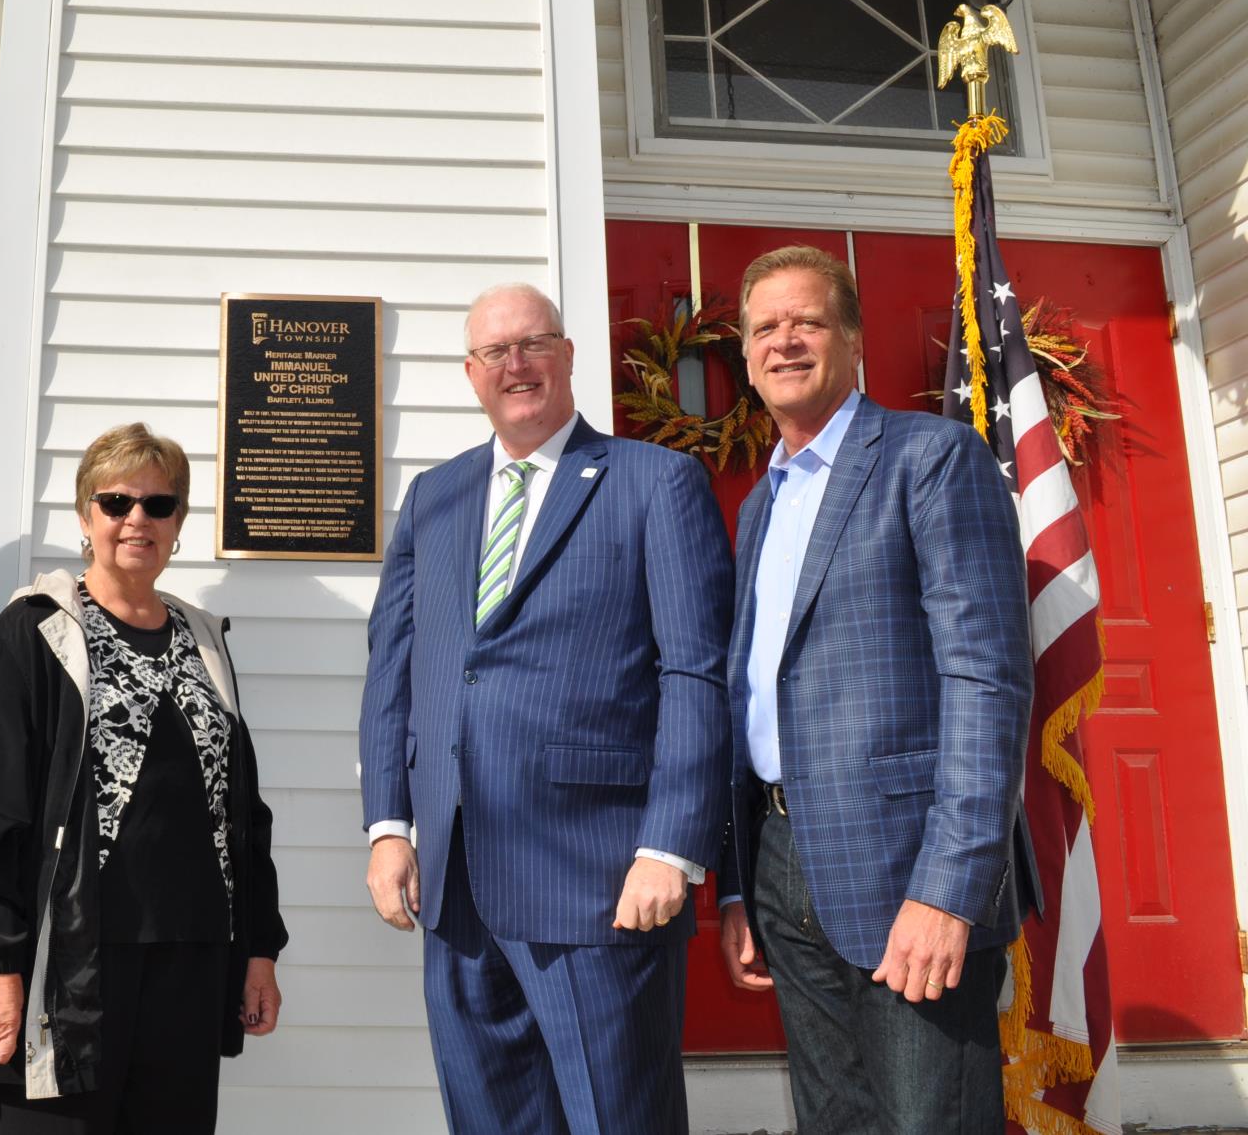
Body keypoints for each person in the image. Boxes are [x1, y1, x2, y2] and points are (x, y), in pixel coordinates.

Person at [358, 283, 732, 1134]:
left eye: (533, 344)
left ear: (568, 355)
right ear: (470, 373)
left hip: (597, 884)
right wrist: (389, 826)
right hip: (454, 893)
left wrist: (670, 845)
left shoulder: (655, 482)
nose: (515, 364)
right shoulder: (435, 497)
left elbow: (694, 674)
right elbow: (394, 670)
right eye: (495, 352)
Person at [715, 245, 1033, 1133]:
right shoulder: (759, 505)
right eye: (764, 327)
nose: (784, 341)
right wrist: (740, 887)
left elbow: (988, 681)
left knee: (931, 1119)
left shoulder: (931, 460)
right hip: (785, 861)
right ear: (745, 356)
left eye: (806, 321)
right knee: (835, 1120)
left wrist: (948, 889)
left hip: (906, 868)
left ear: (853, 339)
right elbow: (753, 694)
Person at [0, 422, 287, 1135]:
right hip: (66, 967)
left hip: (190, 965)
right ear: (85, 514)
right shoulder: (35, 633)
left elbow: (242, 814)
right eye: (117, 501)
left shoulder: (205, 640)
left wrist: (259, 948)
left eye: (160, 505)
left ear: (179, 523)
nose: (137, 519)